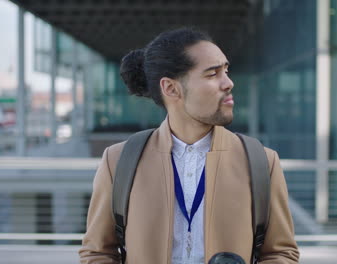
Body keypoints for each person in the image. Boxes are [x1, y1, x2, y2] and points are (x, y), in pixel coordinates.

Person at [79, 28, 299, 264]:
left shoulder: (261, 162)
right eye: (212, 74)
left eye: (226, 70)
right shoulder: (119, 160)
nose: (228, 83)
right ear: (171, 88)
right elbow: (98, 252)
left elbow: (281, 253)